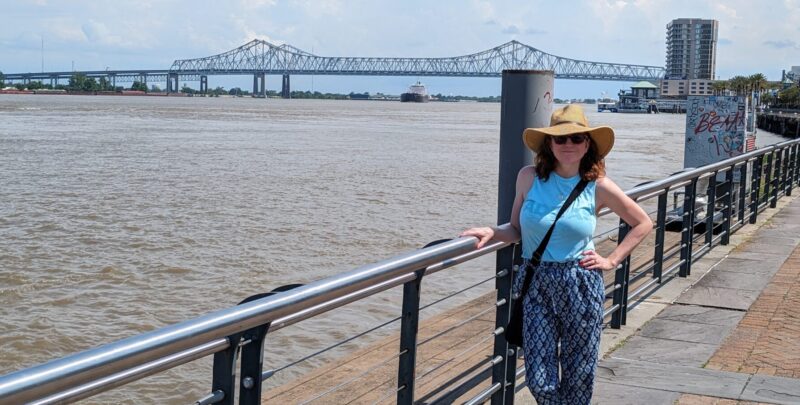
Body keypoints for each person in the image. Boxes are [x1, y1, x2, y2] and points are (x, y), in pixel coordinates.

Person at [460, 104, 652, 404]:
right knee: (539, 380)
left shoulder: (598, 186)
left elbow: (642, 222)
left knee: (579, 375)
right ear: (549, 143)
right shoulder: (528, 177)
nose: (568, 144)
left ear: (587, 144)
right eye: (560, 138)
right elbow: (515, 229)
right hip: (536, 283)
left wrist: (611, 260)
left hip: (580, 282)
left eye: (576, 138)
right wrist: (491, 232)